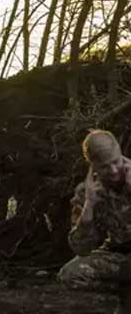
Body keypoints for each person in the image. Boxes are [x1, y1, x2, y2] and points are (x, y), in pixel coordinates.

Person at [58, 129, 131, 312]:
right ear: (92, 165)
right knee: (71, 274)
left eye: (116, 161)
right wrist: (89, 205)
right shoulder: (88, 191)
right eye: (105, 166)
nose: (113, 170)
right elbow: (81, 249)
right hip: (121, 258)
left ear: (120, 151)